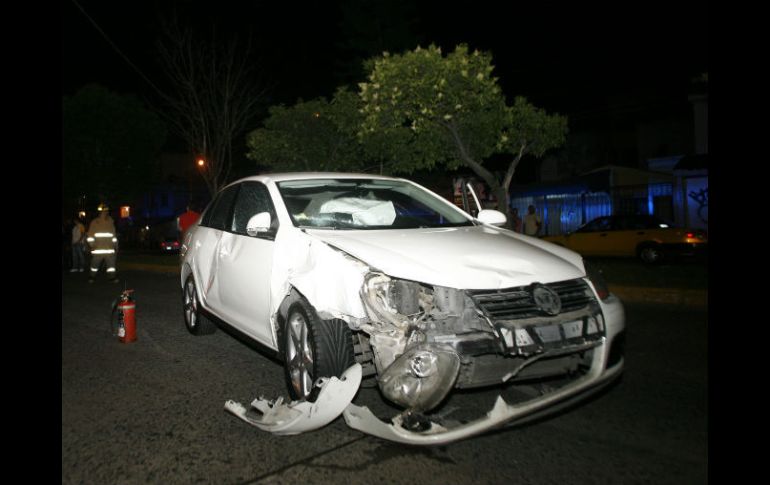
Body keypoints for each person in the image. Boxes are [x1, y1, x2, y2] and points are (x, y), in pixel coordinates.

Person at [86, 204, 118, 283]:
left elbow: (113, 236)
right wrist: (92, 245)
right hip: (98, 249)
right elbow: (90, 236)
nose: (105, 213)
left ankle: (112, 277)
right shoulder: (94, 222)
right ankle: (92, 277)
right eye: (103, 211)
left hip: (109, 249)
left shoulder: (111, 222)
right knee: (94, 265)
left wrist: (115, 246)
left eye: (106, 211)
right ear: (100, 212)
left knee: (111, 266)